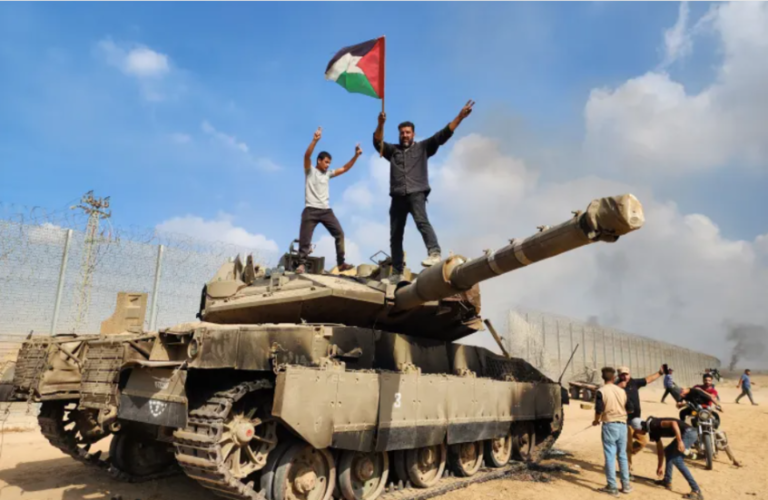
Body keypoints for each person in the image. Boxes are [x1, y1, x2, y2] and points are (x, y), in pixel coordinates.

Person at [372, 100, 475, 283]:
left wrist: (460, 117)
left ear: (413, 134)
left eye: (408, 132)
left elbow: (443, 134)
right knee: (395, 235)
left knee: (421, 221)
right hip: (397, 196)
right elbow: (377, 142)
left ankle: (434, 253)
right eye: (402, 133)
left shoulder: (423, 147)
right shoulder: (393, 151)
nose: (405, 135)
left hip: (416, 192)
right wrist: (380, 124)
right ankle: (397, 273)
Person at [296, 127, 360, 274]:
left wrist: (356, 156)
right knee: (305, 239)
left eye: (329, 163)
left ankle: (341, 263)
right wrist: (315, 140)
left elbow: (344, 168)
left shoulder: (328, 174)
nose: (328, 165)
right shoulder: (310, 170)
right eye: (326, 162)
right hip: (310, 209)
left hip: (326, 211)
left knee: (339, 233)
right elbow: (306, 156)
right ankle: (302, 264)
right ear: (319, 161)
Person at [631, 416, 703, 500]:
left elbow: (674, 423)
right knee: (668, 451)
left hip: (689, 433)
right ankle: (667, 481)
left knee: (677, 460)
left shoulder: (654, 424)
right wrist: (660, 466)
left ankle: (696, 490)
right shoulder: (652, 431)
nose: (637, 433)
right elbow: (660, 450)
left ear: (639, 427)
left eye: (636, 430)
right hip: (685, 433)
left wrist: (680, 441)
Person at [593, 367, 634, 496]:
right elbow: (631, 409)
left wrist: (596, 420)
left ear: (603, 377)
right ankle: (626, 485)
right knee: (622, 455)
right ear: (614, 377)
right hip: (623, 425)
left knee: (610, 456)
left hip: (609, 425)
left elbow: (599, 410)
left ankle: (612, 486)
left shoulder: (601, 391)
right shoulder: (622, 391)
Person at [617, 365, 664, 473]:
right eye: (622, 375)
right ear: (619, 375)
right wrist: (619, 387)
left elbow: (648, 379)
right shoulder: (616, 386)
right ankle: (627, 467)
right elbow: (606, 391)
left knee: (643, 441)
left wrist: (660, 373)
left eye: (626, 374)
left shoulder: (634, 382)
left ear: (629, 374)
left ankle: (624, 456)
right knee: (627, 445)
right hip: (624, 421)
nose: (625, 377)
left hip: (636, 420)